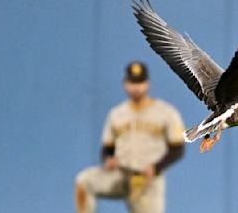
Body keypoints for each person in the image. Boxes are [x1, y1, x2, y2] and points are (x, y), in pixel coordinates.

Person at [75, 61, 185, 213]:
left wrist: (156, 168)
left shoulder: (166, 112)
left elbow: (177, 149)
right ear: (125, 84)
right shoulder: (116, 114)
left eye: (140, 82)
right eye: (133, 82)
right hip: (120, 174)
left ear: (147, 83)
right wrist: (108, 159)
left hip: (148, 179)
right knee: (84, 181)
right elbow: (107, 148)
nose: (136, 87)